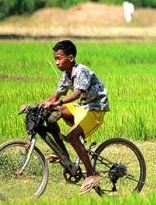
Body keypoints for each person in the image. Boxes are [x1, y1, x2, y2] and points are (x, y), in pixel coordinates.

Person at [40, 40, 110, 194]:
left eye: (59, 58)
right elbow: (56, 96)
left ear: (70, 58)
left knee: (72, 136)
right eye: (55, 59)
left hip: (96, 108)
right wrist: (38, 105)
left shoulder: (81, 71)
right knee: (51, 115)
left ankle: (92, 174)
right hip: (83, 107)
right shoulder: (66, 74)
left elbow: (77, 93)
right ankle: (62, 154)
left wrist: (58, 102)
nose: (57, 62)